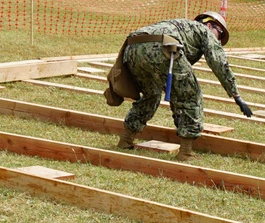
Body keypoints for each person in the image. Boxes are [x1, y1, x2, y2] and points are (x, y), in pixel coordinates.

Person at [104, 10, 252, 161]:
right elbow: (218, 61)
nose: (218, 40)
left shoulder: (180, 25)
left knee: (151, 95)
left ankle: (125, 140)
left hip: (133, 48)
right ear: (209, 25)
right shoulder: (203, 31)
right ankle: (186, 152)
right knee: (190, 97)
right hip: (164, 47)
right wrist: (235, 94)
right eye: (219, 36)